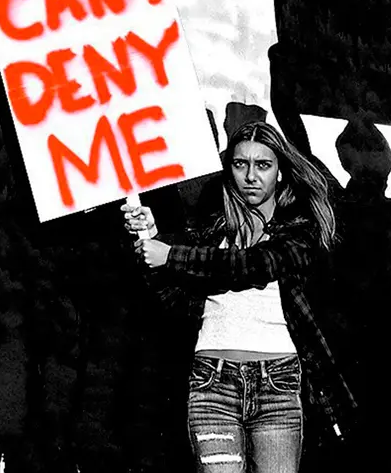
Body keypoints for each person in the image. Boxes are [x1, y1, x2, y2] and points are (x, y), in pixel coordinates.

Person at [122, 121, 357, 473]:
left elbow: (251, 265)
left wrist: (170, 254)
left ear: (280, 171)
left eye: (263, 165)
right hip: (212, 384)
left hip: (278, 385)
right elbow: (173, 298)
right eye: (240, 164)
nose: (250, 176)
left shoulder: (299, 230)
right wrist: (150, 238)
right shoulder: (210, 232)